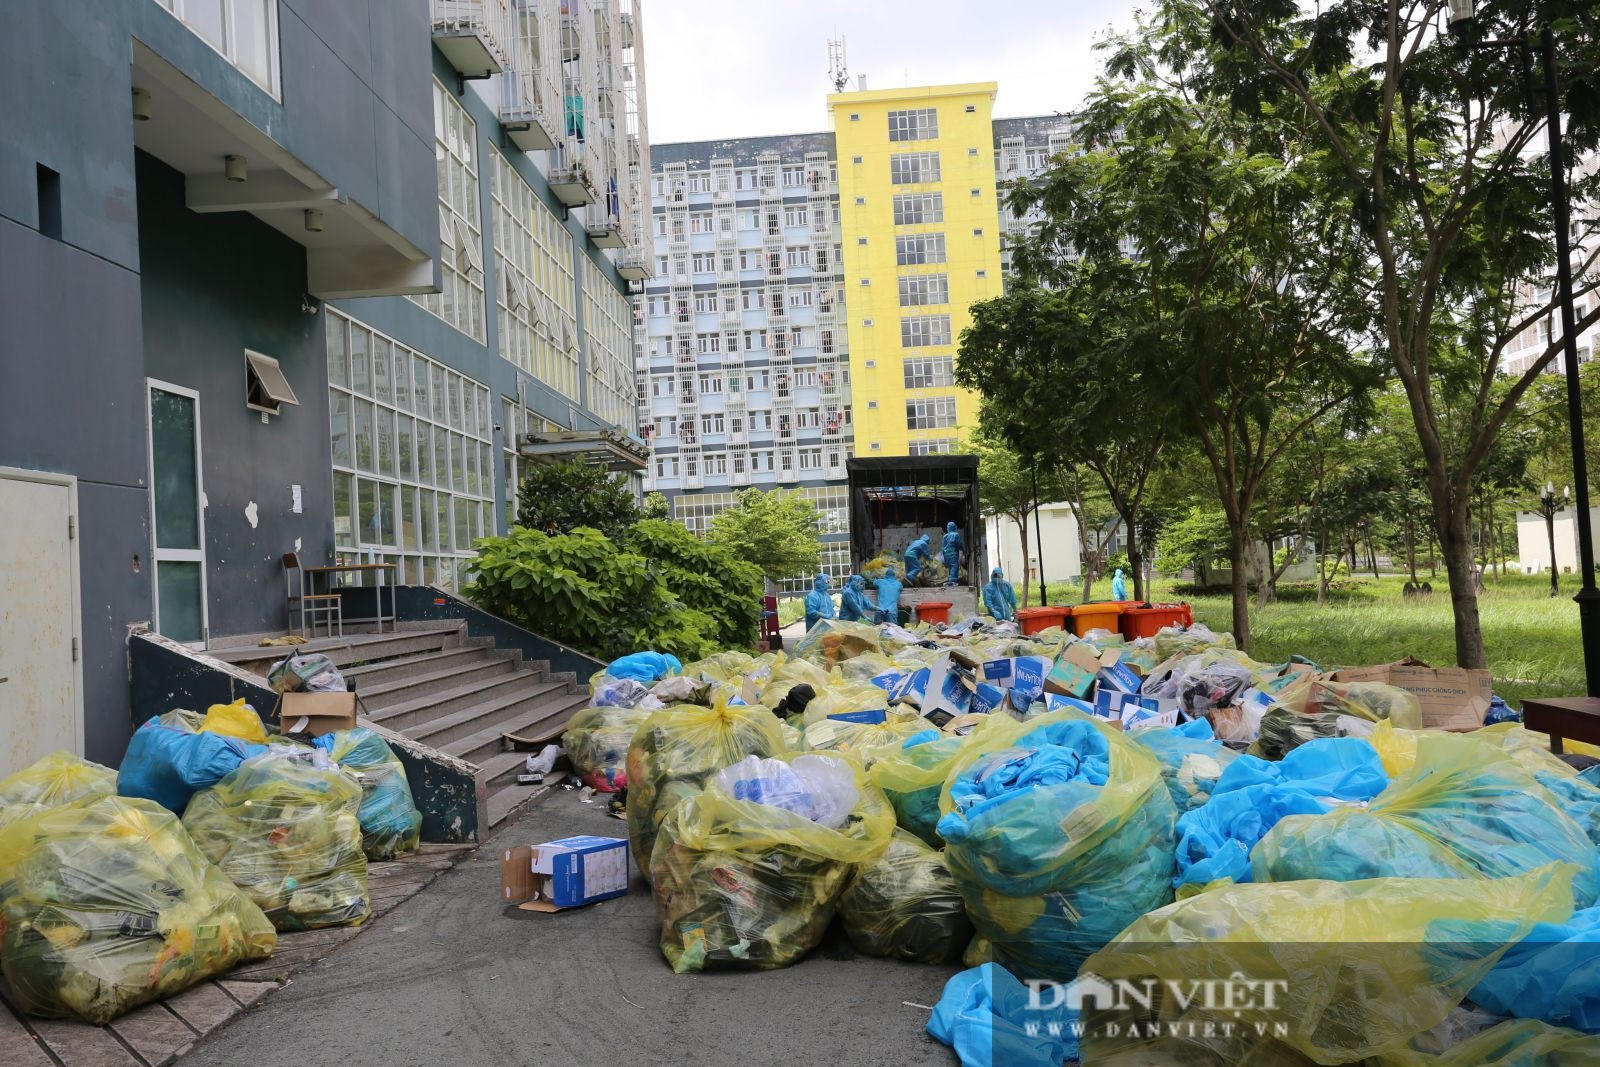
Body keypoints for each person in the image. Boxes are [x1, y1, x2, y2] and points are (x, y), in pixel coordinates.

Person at [941, 522, 965, 586]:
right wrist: (962, 549)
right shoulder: (956, 535)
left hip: (946, 555)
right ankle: (952, 581)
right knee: (954, 566)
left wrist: (944, 556)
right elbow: (959, 544)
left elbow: (943, 547)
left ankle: (950, 580)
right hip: (953, 554)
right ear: (954, 527)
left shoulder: (944, 536)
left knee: (950, 567)